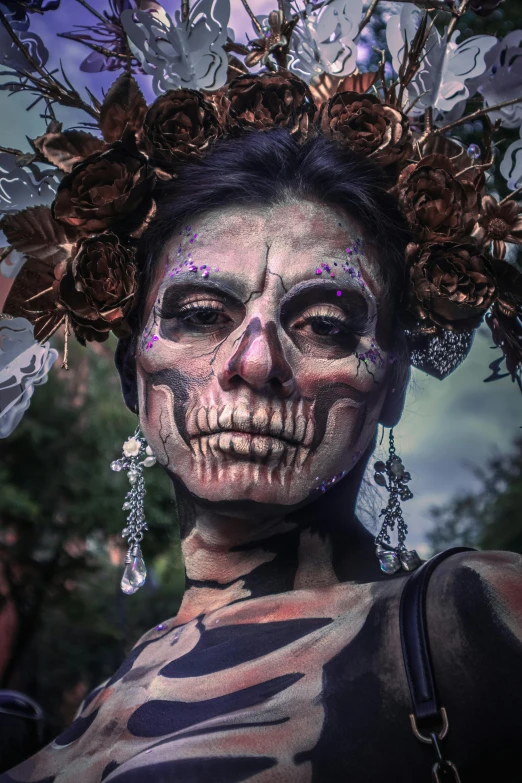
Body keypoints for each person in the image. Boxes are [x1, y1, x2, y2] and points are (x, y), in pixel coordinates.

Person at [2, 128, 521, 783]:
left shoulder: (477, 617)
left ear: (393, 383)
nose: (255, 361)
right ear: (135, 369)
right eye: (199, 313)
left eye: (327, 326)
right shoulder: (110, 684)